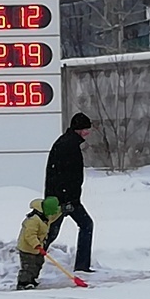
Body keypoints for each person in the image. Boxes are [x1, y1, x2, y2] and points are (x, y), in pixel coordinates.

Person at [43, 111, 95, 272]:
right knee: (84, 225)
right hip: (64, 199)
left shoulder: (67, 142)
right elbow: (64, 175)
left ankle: (33, 259)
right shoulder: (69, 146)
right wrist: (67, 201)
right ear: (79, 129)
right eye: (86, 129)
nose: (88, 132)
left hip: (62, 197)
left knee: (51, 232)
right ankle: (81, 266)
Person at [15, 196, 61, 290]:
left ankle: (32, 279)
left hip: (37, 247)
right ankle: (23, 282)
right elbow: (29, 235)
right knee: (29, 265)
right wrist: (36, 245)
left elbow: (53, 216)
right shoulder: (33, 220)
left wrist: (62, 210)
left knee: (38, 262)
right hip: (27, 247)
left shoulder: (45, 216)